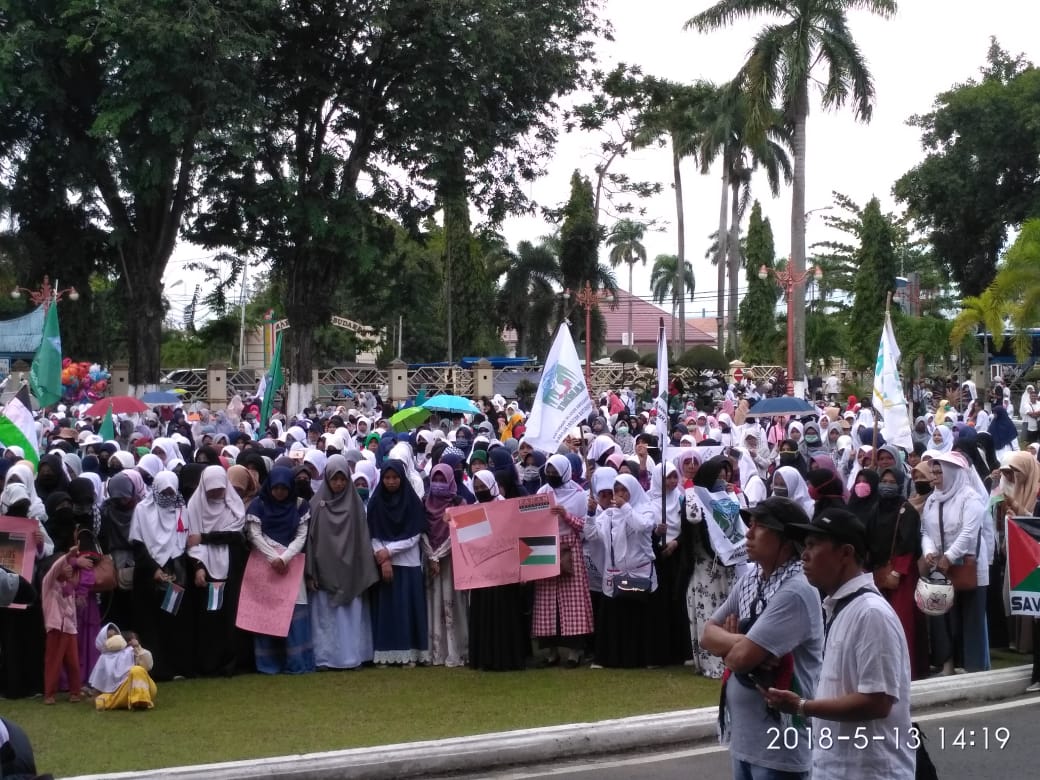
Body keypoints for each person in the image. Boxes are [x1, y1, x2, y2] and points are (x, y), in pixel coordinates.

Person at [767, 507, 915, 780]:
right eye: (804, 546)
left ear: (845, 553)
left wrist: (802, 706)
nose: (804, 555)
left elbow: (877, 701)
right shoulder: (842, 607)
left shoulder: (871, 613)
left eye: (813, 545)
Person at [701, 497, 823, 780]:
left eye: (759, 526)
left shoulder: (795, 590)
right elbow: (707, 634)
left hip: (779, 748)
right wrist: (744, 642)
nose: (748, 532)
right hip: (746, 739)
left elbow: (741, 660)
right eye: (750, 524)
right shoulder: (751, 578)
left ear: (783, 538)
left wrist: (739, 647)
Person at [918, 451, 990, 674]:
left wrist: (949, 555)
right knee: (945, 617)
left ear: (951, 473)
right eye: (934, 472)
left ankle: (974, 666)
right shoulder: (932, 499)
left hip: (968, 565)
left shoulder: (970, 498)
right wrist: (929, 551)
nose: (935, 477)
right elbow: (925, 530)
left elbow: (969, 532)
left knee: (971, 616)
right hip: (942, 567)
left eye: (939, 472)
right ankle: (949, 663)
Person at [306, 454, 378, 670]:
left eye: (343, 479)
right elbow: (308, 540)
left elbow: (363, 540)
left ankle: (350, 657)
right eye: (335, 479)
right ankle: (324, 659)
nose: (339, 483)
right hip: (324, 570)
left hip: (351, 572)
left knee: (349, 617)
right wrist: (310, 572)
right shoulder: (316, 505)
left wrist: (362, 569)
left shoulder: (356, 505)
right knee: (326, 618)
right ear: (327, 478)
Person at [583, 474, 657, 668]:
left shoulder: (645, 509)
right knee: (616, 617)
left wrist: (625, 507)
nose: (620, 494)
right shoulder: (608, 515)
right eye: (617, 490)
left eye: (624, 490)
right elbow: (591, 535)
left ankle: (644, 658)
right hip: (614, 573)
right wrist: (590, 514)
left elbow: (642, 526)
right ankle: (613, 658)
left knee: (639, 615)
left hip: (638, 571)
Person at [245, 466, 314, 674]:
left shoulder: (300, 505)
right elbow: (254, 534)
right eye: (276, 488)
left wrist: (285, 557)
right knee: (266, 613)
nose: (280, 493)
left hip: (291, 564)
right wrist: (273, 556)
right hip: (264, 564)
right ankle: (269, 664)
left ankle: (297, 662)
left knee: (294, 611)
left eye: (284, 488)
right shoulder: (259, 505)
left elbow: (302, 535)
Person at [184, 465, 248, 676]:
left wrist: (206, 537)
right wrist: (199, 567)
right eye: (211, 491)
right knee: (209, 617)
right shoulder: (195, 505)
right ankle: (208, 664)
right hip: (205, 568)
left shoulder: (234, 506)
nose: (215, 494)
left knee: (230, 615)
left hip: (231, 567)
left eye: (219, 490)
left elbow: (236, 536)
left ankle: (230, 664)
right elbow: (192, 540)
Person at [129, 471, 192, 681]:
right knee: (149, 622)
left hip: (173, 573)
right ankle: (153, 669)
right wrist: (154, 568)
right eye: (163, 492)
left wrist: (171, 570)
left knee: (172, 622)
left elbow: (182, 542)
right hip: (147, 574)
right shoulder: (142, 510)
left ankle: (174, 667)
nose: (167, 496)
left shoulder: (181, 509)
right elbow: (137, 542)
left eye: (170, 492)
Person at [533, 454, 594, 667]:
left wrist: (565, 515)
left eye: (555, 472)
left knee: (572, 600)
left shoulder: (578, 494)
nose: (551, 475)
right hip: (545, 545)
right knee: (546, 601)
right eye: (548, 472)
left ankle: (575, 651)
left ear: (565, 472)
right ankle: (550, 651)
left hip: (570, 546)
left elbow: (584, 527)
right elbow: (531, 520)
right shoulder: (542, 492)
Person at [367, 459, 429, 665]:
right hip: (385, 564)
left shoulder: (412, 502)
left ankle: (410, 653)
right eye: (387, 478)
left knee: (407, 610)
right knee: (388, 611)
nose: (391, 482)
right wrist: (383, 559)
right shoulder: (376, 503)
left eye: (395, 478)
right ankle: (385, 653)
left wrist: (388, 552)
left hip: (408, 563)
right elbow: (372, 533)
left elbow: (415, 534)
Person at [422, 463, 469, 667]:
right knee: (433, 601)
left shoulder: (459, 502)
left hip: (452, 560)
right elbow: (421, 529)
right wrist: (431, 556)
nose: (439, 484)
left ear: (451, 480)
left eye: (443, 480)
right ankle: (437, 650)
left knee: (454, 602)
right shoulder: (424, 502)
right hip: (429, 559)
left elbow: (463, 531)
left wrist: (440, 554)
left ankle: (458, 649)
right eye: (436, 479)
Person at [41, 547, 82, 704]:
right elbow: (55, 568)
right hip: (55, 629)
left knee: (73, 662)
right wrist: (68, 555)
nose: (70, 568)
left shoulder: (68, 586)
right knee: (53, 662)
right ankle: (49, 694)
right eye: (67, 565)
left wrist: (75, 626)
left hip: (70, 628)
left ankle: (75, 692)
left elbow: (71, 611)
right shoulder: (48, 583)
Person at [89, 623, 157, 711]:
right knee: (103, 698)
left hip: (146, 689)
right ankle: (133, 701)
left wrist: (138, 647)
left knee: (137, 670)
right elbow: (98, 684)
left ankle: (141, 700)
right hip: (123, 692)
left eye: (116, 635)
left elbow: (148, 665)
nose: (115, 638)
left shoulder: (131, 651)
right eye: (110, 637)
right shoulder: (103, 659)